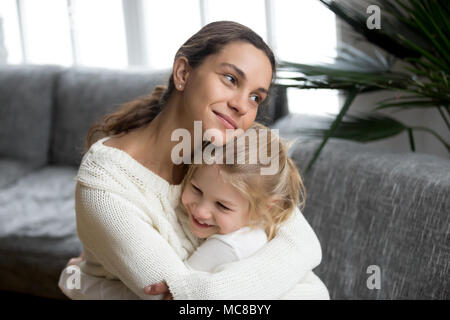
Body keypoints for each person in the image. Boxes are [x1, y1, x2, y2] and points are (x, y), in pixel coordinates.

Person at [61, 20, 324, 300]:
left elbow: (305, 245)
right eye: (231, 79)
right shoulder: (105, 184)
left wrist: (84, 285)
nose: (242, 106)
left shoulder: (228, 149)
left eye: (256, 97)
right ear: (184, 73)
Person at [59, 124, 329, 299]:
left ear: (263, 209)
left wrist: (79, 283)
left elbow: (168, 299)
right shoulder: (264, 219)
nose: (200, 210)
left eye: (222, 205)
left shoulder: (226, 246)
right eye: (196, 189)